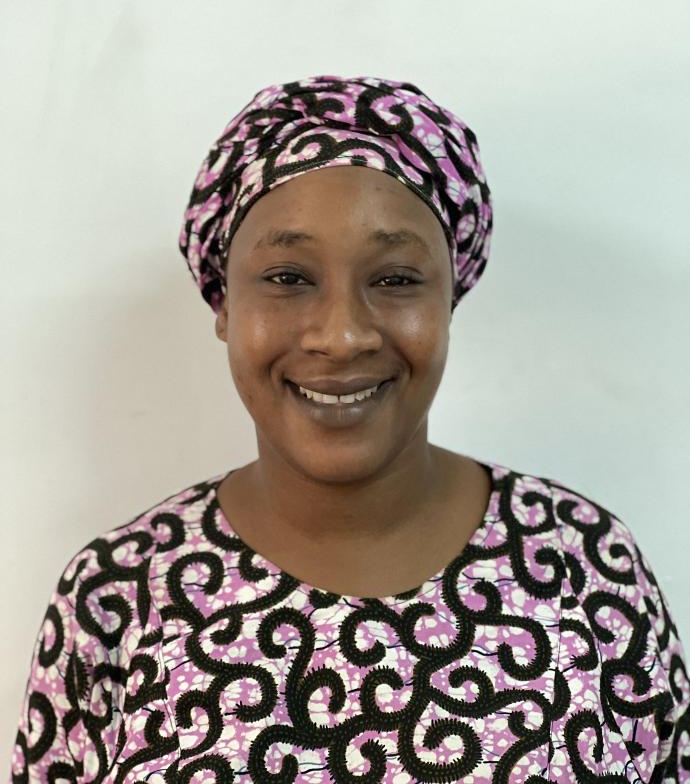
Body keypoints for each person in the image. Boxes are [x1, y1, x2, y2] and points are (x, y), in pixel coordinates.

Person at [9, 75, 689, 782]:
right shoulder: (118, 596)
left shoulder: (584, 565)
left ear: (449, 300)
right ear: (224, 305)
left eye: (395, 280)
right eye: (287, 277)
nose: (341, 336)